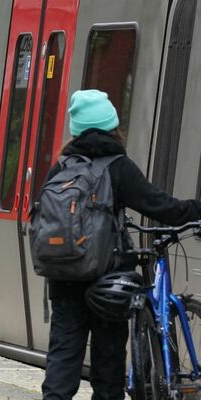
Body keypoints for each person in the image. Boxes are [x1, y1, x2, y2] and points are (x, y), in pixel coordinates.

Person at [42, 89, 201, 400]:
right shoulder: (118, 166)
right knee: (108, 368)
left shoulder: (61, 167)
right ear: (112, 126)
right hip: (108, 283)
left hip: (63, 279)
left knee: (62, 364)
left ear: (76, 129)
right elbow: (163, 207)